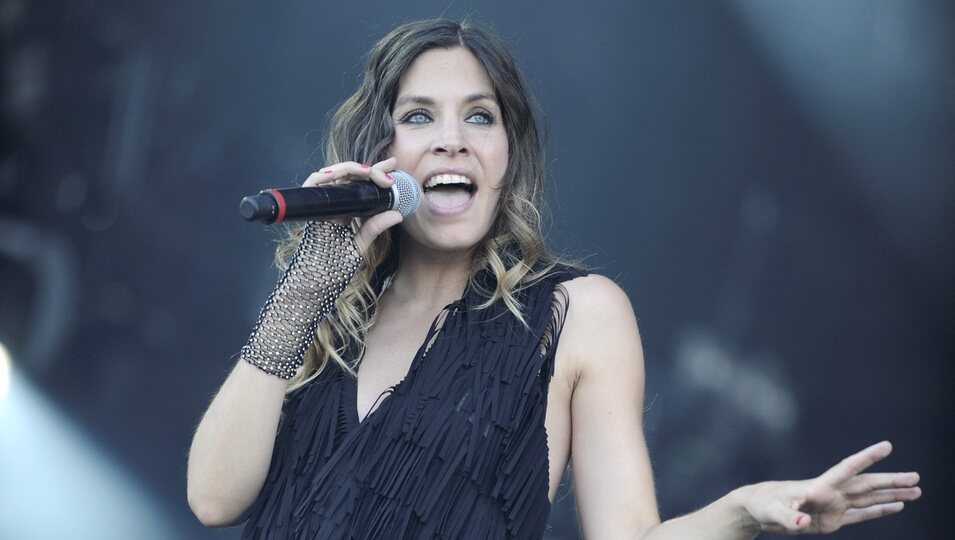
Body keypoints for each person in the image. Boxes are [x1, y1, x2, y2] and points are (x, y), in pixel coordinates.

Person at [186, 19, 921, 539]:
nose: (451, 138)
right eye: (419, 116)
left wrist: (744, 511)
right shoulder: (326, 314)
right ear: (382, 154)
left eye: (480, 117)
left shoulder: (577, 315)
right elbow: (214, 499)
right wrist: (305, 291)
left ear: (509, 157)